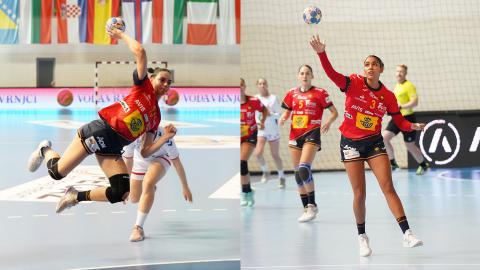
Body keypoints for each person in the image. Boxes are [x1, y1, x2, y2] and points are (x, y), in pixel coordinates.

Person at [27, 28, 173, 214]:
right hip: (98, 132)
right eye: (163, 80)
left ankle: (74, 196)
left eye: (169, 82)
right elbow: (140, 51)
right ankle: (44, 149)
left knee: (121, 192)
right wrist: (120, 35)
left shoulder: (156, 117)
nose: (166, 85)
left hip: (113, 148)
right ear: (152, 79)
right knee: (57, 173)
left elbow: (145, 151)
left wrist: (164, 137)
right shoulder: (143, 87)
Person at [309, 34, 424, 257]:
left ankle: (407, 233)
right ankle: (362, 236)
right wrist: (322, 52)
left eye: (374, 64)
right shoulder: (353, 83)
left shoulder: (388, 96)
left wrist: (413, 126)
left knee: (388, 187)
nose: (370, 67)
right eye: (366, 64)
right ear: (364, 69)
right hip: (350, 144)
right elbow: (332, 75)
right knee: (359, 194)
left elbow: (399, 121)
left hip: (374, 143)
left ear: (381, 69)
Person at [279, 65, 338, 222]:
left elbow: (334, 112)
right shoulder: (292, 93)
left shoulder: (319, 93)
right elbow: (287, 110)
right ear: (298, 76)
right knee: (298, 173)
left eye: (307, 73)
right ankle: (305, 208)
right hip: (295, 134)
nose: (304, 76)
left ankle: (312, 206)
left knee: (304, 168)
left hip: (311, 133)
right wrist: (284, 117)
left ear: (312, 76)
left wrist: (328, 122)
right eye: (302, 73)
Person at [123, 125, 193, 242]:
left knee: (148, 183)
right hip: (140, 161)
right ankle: (150, 188)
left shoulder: (165, 137)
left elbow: (177, 163)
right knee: (134, 198)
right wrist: (124, 186)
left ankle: (138, 227)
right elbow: (128, 160)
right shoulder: (132, 135)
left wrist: (185, 187)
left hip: (160, 159)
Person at [383, 65, 430, 175]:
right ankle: (393, 163)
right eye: (397, 71)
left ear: (405, 73)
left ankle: (423, 165)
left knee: (410, 145)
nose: (399, 73)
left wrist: (401, 106)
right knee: (384, 138)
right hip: (396, 118)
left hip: (408, 118)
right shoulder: (397, 86)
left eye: (401, 72)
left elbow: (415, 102)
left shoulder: (409, 86)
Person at [253, 78, 286, 188]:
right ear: (257, 86)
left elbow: (279, 113)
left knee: (275, 155)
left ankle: (281, 177)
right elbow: (255, 114)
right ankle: (266, 171)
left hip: (273, 129)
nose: (262, 85)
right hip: (262, 129)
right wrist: (258, 122)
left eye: (264, 83)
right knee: (258, 153)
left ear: (267, 85)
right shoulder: (256, 98)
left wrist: (271, 114)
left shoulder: (273, 98)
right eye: (260, 83)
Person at [240, 78, 267, 207]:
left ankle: (246, 193)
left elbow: (264, 110)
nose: (238, 88)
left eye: (241, 85)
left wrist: (262, 121)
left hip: (249, 136)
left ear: (244, 87)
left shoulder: (253, 101)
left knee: (242, 162)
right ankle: (247, 190)